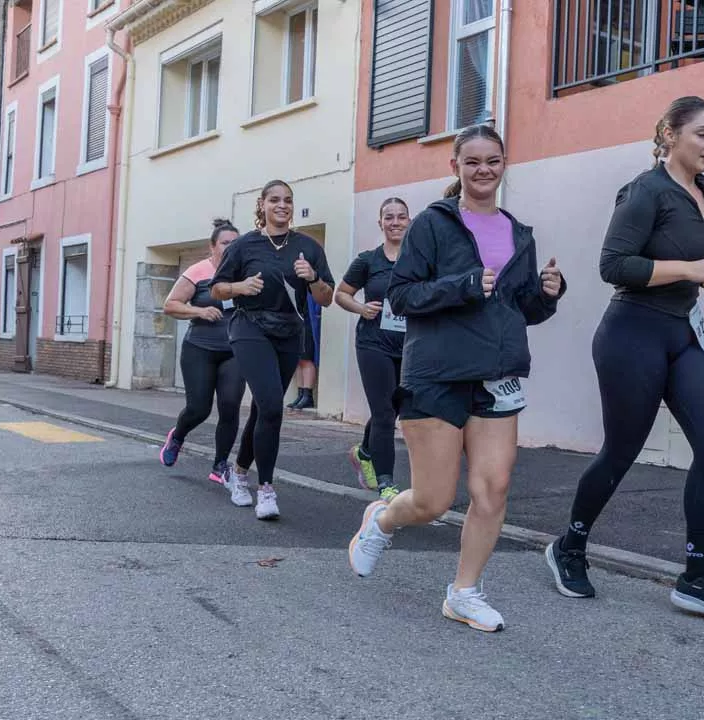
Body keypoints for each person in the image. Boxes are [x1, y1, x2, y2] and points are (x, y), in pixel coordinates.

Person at [347, 124, 567, 632]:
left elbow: (521, 310)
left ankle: (464, 593)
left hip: (496, 376)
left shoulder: (519, 232)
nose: (483, 170)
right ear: (456, 167)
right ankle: (382, 520)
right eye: (473, 162)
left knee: (493, 489)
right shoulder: (432, 224)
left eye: (493, 161)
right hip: (437, 374)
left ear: (504, 164)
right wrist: (463, 284)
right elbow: (402, 295)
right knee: (433, 501)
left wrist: (547, 294)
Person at [543, 96, 704, 620]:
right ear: (670, 134)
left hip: (684, 334)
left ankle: (697, 576)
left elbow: (695, 278)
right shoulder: (645, 190)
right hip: (631, 335)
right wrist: (689, 269)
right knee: (621, 452)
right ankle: (569, 545)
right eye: (702, 133)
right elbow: (613, 265)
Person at [211, 180, 335, 520]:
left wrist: (312, 278)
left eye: (288, 200)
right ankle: (266, 489)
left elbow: (327, 298)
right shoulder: (244, 245)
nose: (282, 205)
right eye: (275, 200)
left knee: (263, 411)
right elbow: (217, 289)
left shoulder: (308, 247)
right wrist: (240, 286)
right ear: (262, 205)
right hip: (249, 327)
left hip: (289, 332)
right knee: (270, 406)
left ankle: (238, 472)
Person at [159, 219, 246, 485]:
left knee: (230, 406)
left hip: (235, 350)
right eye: (225, 243)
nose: (231, 247)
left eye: (236, 243)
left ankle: (220, 465)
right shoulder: (198, 271)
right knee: (199, 408)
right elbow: (170, 305)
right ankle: (177, 436)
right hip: (200, 349)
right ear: (212, 247)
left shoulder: (246, 272)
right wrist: (199, 311)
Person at [335, 197, 410, 502]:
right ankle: (386, 484)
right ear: (380, 223)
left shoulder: (420, 261)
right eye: (389, 217)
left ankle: (364, 452)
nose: (395, 222)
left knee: (395, 408)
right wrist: (361, 308)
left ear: (409, 221)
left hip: (410, 346)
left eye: (401, 217)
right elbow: (341, 294)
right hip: (373, 343)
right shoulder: (368, 260)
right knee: (384, 413)